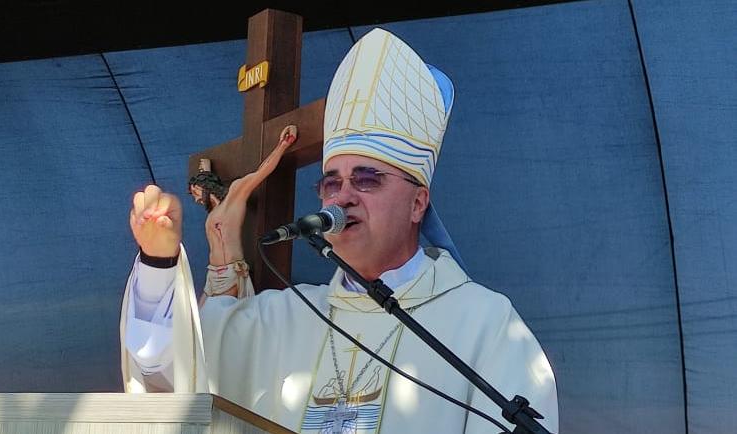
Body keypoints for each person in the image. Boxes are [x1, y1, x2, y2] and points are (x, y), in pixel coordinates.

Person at [119, 28, 559, 433]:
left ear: (417, 203)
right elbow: (169, 379)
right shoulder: (279, 321)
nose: (343, 196)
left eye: (367, 179)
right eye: (332, 181)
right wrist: (158, 264)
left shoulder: (484, 325)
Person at [186, 125, 298, 300]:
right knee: (199, 322)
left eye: (196, 192)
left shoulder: (234, 197)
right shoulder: (214, 212)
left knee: (225, 319)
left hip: (231, 273)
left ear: (205, 187)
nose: (196, 199)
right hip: (212, 276)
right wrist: (206, 169)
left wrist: (282, 145)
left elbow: (261, 173)